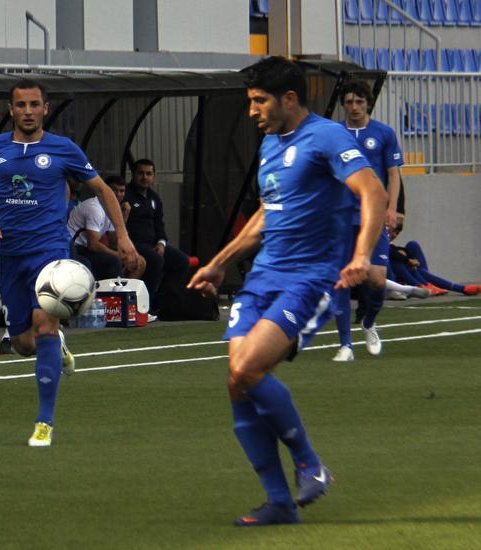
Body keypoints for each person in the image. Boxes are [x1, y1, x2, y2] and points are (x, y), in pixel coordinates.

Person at [188, 57, 387, 526]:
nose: (252, 111)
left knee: (247, 368)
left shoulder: (327, 137)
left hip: (310, 279)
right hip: (263, 277)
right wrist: (219, 263)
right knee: (237, 381)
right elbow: (266, 215)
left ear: (290, 99)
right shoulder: (269, 144)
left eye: (259, 101)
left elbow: (373, 193)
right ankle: (279, 502)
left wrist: (361, 255)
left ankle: (309, 463)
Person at [0, 78, 138, 447]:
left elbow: (102, 189)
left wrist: (123, 235)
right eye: (21, 105)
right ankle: (57, 345)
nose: (28, 111)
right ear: (11, 110)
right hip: (10, 254)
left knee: (44, 325)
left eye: (35, 104)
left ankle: (44, 423)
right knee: (23, 343)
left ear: (45, 109)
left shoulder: (63, 149)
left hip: (49, 252)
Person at [331, 80, 402, 362]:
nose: (354, 107)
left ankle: (369, 322)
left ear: (368, 103)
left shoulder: (383, 133)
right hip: (341, 216)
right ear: (343, 105)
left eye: (359, 101)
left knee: (377, 279)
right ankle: (345, 345)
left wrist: (392, 208)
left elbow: (393, 174)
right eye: (349, 102)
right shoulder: (334, 133)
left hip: (373, 215)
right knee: (342, 279)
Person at [123, 159, 189, 313]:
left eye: (148, 174)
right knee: (156, 260)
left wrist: (161, 243)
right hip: (134, 244)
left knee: (182, 261)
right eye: (141, 173)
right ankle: (146, 306)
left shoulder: (154, 198)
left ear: (154, 176)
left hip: (152, 244)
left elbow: (160, 225)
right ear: (133, 174)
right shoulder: (125, 195)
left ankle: (165, 302)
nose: (145, 177)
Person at [389, 215, 480, 296]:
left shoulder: (390, 243)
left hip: (409, 274)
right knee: (399, 260)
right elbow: (390, 252)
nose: (394, 235)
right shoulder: (382, 239)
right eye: (393, 231)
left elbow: (396, 249)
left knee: (413, 245)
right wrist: (407, 259)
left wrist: (407, 257)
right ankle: (457, 288)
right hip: (394, 276)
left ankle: (426, 284)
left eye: (397, 233)